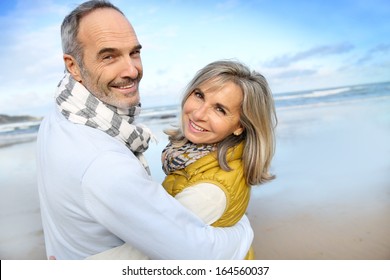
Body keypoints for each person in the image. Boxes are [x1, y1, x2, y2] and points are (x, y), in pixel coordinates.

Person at [36, 0, 253, 260]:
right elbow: (194, 252)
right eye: (109, 56)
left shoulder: (58, 116)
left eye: (134, 52)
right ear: (73, 66)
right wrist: (243, 228)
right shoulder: (106, 164)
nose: (132, 69)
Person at [87, 60, 277, 260]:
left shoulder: (210, 191)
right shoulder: (195, 156)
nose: (198, 113)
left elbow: (146, 250)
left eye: (220, 109)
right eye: (199, 95)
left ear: (240, 126)